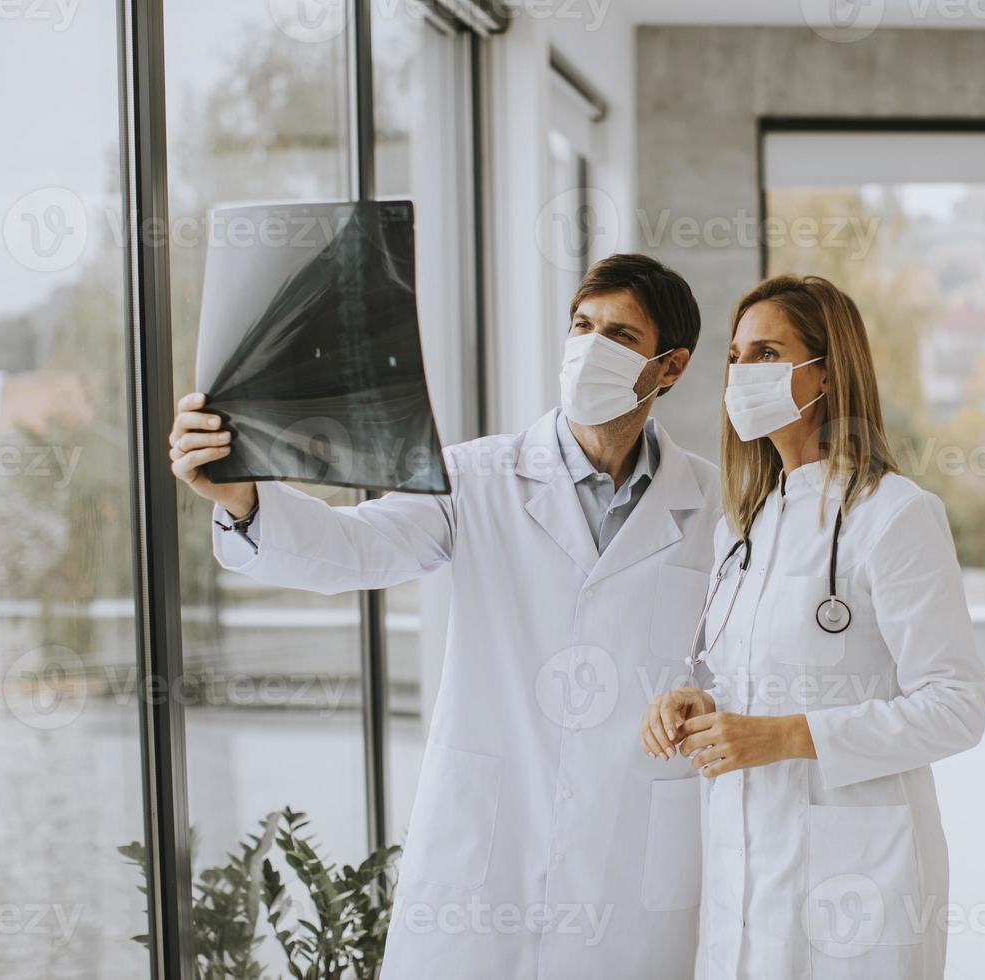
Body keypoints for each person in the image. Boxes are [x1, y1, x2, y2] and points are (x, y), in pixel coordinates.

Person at [170, 254, 720, 979]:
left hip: (635, 840)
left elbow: (736, 650)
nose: (589, 348)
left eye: (619, 336)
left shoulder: (714, 501)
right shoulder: (477, 477)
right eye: (580, 326)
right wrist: (242, 499)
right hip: (489, 842)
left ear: (669, 367)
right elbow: (356, 546)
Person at [639, 275, 985, 979]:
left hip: (858, 876)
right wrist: (700, 703)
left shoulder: (894, 514)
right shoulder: (745, 523)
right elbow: (748, 676)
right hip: (747, 866)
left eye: (767, 353)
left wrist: (788, 736)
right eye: (736, 356)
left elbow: (957, 707)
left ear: (825, 375)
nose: (742, 374)